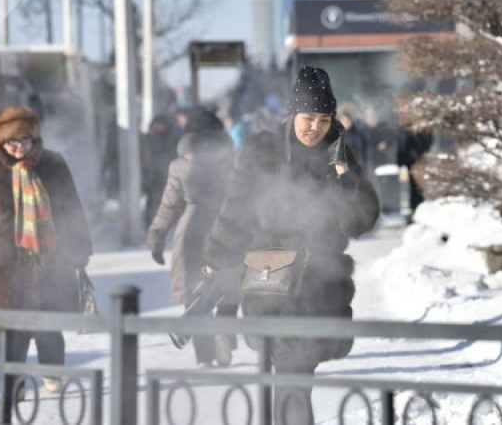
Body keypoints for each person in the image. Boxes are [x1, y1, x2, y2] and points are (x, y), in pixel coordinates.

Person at [203, 66, 380, 424]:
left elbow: (360, 221)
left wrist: (345, 177)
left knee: (296, 376)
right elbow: (236, 210)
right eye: (307, 117)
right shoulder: (262, 152)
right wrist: (216, 258)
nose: (314, 126)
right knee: (290, 374)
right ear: (292, 114)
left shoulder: (340, 154)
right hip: (272, 282)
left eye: (323, 118)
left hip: (320, 285)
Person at [0, 106, 92, 398]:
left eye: (25, 139)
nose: (19, 146)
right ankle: (14, 383)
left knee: (48, 323)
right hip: (6, 264)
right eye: (12, 141)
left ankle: (52, 373)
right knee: (11, 329)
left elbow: (70, 207)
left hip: (50, 259)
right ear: (1, 143)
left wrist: (78, 252)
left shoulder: (54, 164)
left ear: (35, 138)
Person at [147, 106, 238, 367]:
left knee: (194, 291)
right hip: (229, 225)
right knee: (230, 285)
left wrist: (157, 234)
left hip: (193, 230)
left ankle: (204, 356)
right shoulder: (235, 160)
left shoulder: (180, 165)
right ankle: (225, 329)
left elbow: (169, 204)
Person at [141, 114, 180, 228]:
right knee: (153, 202)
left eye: (159, 126)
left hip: (167, 176)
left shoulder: (172, 139)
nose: (157, 129)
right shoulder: (148, 139)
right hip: (153, 177)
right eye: (155, 127)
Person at [397, 129, 434, 223]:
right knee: (414, 188)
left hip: (417, 160)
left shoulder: (419, 130)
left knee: (418, 188)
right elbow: (402, 146)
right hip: (411, 161)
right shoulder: (407, 131)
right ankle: (415, 210)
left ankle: (418, 210)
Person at [337, 102, 369, 170]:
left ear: (350, 121)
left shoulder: (356, 135)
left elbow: (360, 153)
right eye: (343, 121)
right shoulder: (336, 134)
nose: (345, 123)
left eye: (347, 121)